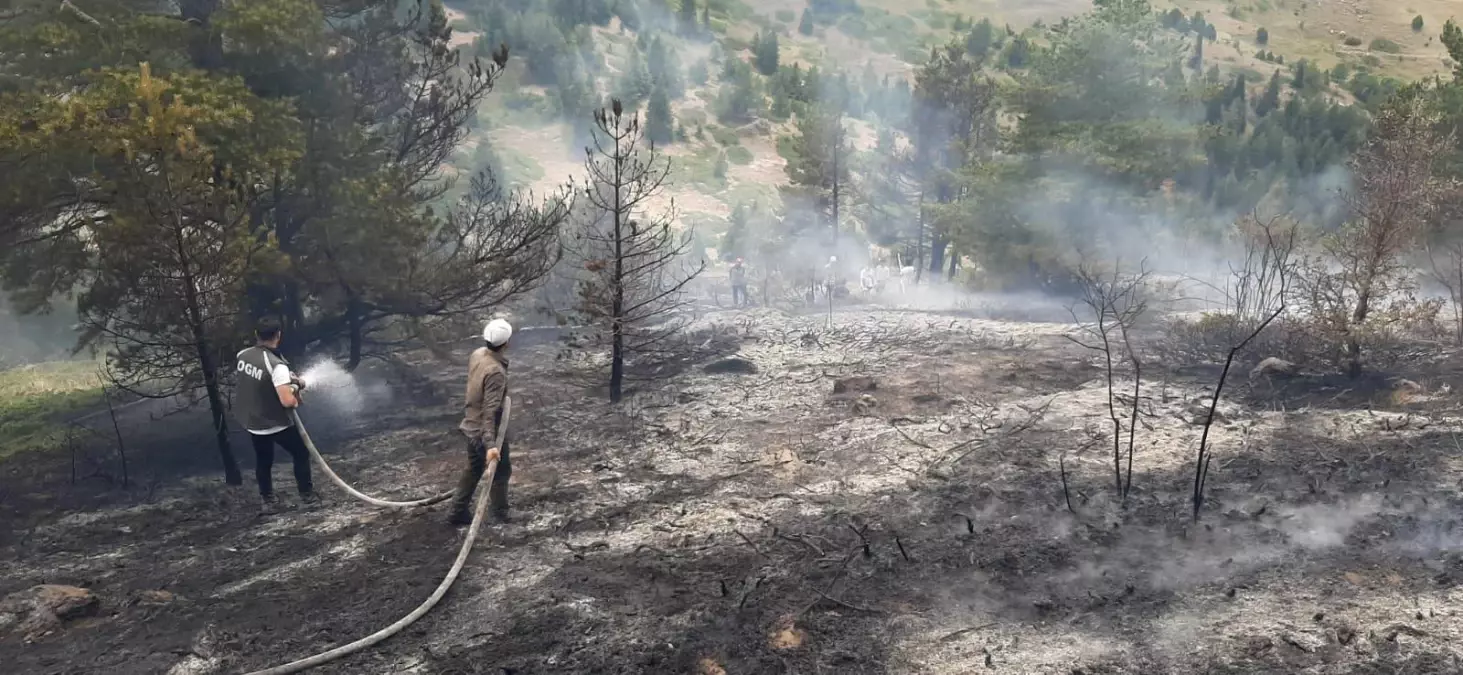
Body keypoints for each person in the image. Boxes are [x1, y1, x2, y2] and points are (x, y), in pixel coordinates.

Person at [234, 317, 317, 514]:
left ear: (256, 335)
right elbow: (287, 401)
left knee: (263, 460)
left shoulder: (242, 355)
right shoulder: (276, 366)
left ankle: (267, 501)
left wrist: (289, 380)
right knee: (301, 453)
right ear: (278, 336)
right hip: (274, 422)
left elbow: (260, 381)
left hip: (252, 420)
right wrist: (295, 387)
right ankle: (307, 496)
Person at [450, 318, 513, 526]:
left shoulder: (477, 354)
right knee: (501, 471)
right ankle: (500, 514)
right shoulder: (495, 371)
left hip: (470, 423)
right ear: (506, 343)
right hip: (484, 430)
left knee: (474, 468)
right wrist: (491, 445)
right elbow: (489, 411)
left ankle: (457, 511)